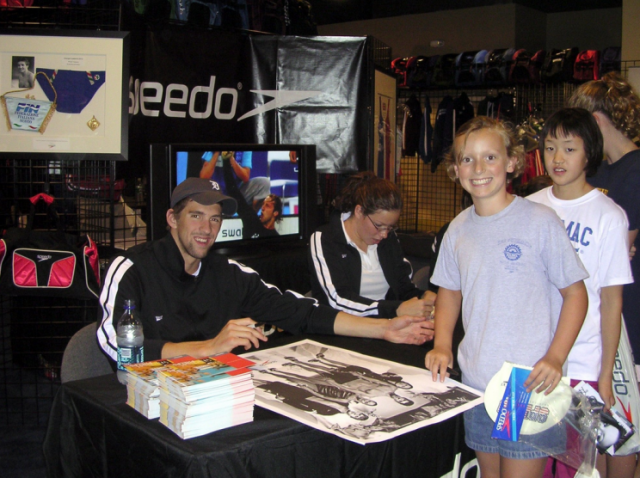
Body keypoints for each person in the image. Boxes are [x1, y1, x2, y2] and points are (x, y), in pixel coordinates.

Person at [97, 178, 433, 363]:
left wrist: (385, 328)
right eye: (196, 216)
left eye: (215, 218)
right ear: (172, 219)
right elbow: (118, 347)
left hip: (218, 395)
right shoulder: (131, 269)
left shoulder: (228, 272)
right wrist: (209, 346)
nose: (207, 228)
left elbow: (302, 312)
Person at [425, 116, 589, 478]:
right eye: (467, 159)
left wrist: (556, 357)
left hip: (523, 384)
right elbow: (450, 291)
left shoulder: (539, 221)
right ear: (455, 168)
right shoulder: (457, 229)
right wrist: (442, 344)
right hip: (476, 381)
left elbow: (576, 293)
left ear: (512, 163)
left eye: (490, 157)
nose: (479, 168)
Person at [527, 108, 634, 478]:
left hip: (582, 365)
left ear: (590, 152)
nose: (557, 158)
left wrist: (605, 375)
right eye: (550, 147)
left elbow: (611, 300)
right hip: (529, 361)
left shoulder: (609, 216)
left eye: (569, 149)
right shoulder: (530, 207)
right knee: (528, 464)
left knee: (571, 467)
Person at [568, 72, 640, 382]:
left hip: (627, 314)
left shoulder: (634, 170)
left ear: (596, 122)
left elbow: (616, 253)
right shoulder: (598, 170)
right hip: (592, 313)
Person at [308, 171, 434, 319]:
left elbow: (403, 288)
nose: (384, 234)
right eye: (379, 226)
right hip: (341, 330)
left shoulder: (388, 238)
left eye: (390, 227)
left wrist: (424, 296)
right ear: (359, 211)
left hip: (388, 324)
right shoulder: (326, 239)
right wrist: (395, 310)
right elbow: (338, 300)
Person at [199, 151, 270, 210]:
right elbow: (203, 176)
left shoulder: (245, 150)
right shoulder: (213, 148)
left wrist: (231, 159)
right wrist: (216, 153)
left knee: (264, 183)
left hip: (237, 193)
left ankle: (251, 219)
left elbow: (245, 177)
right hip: (215, 193)